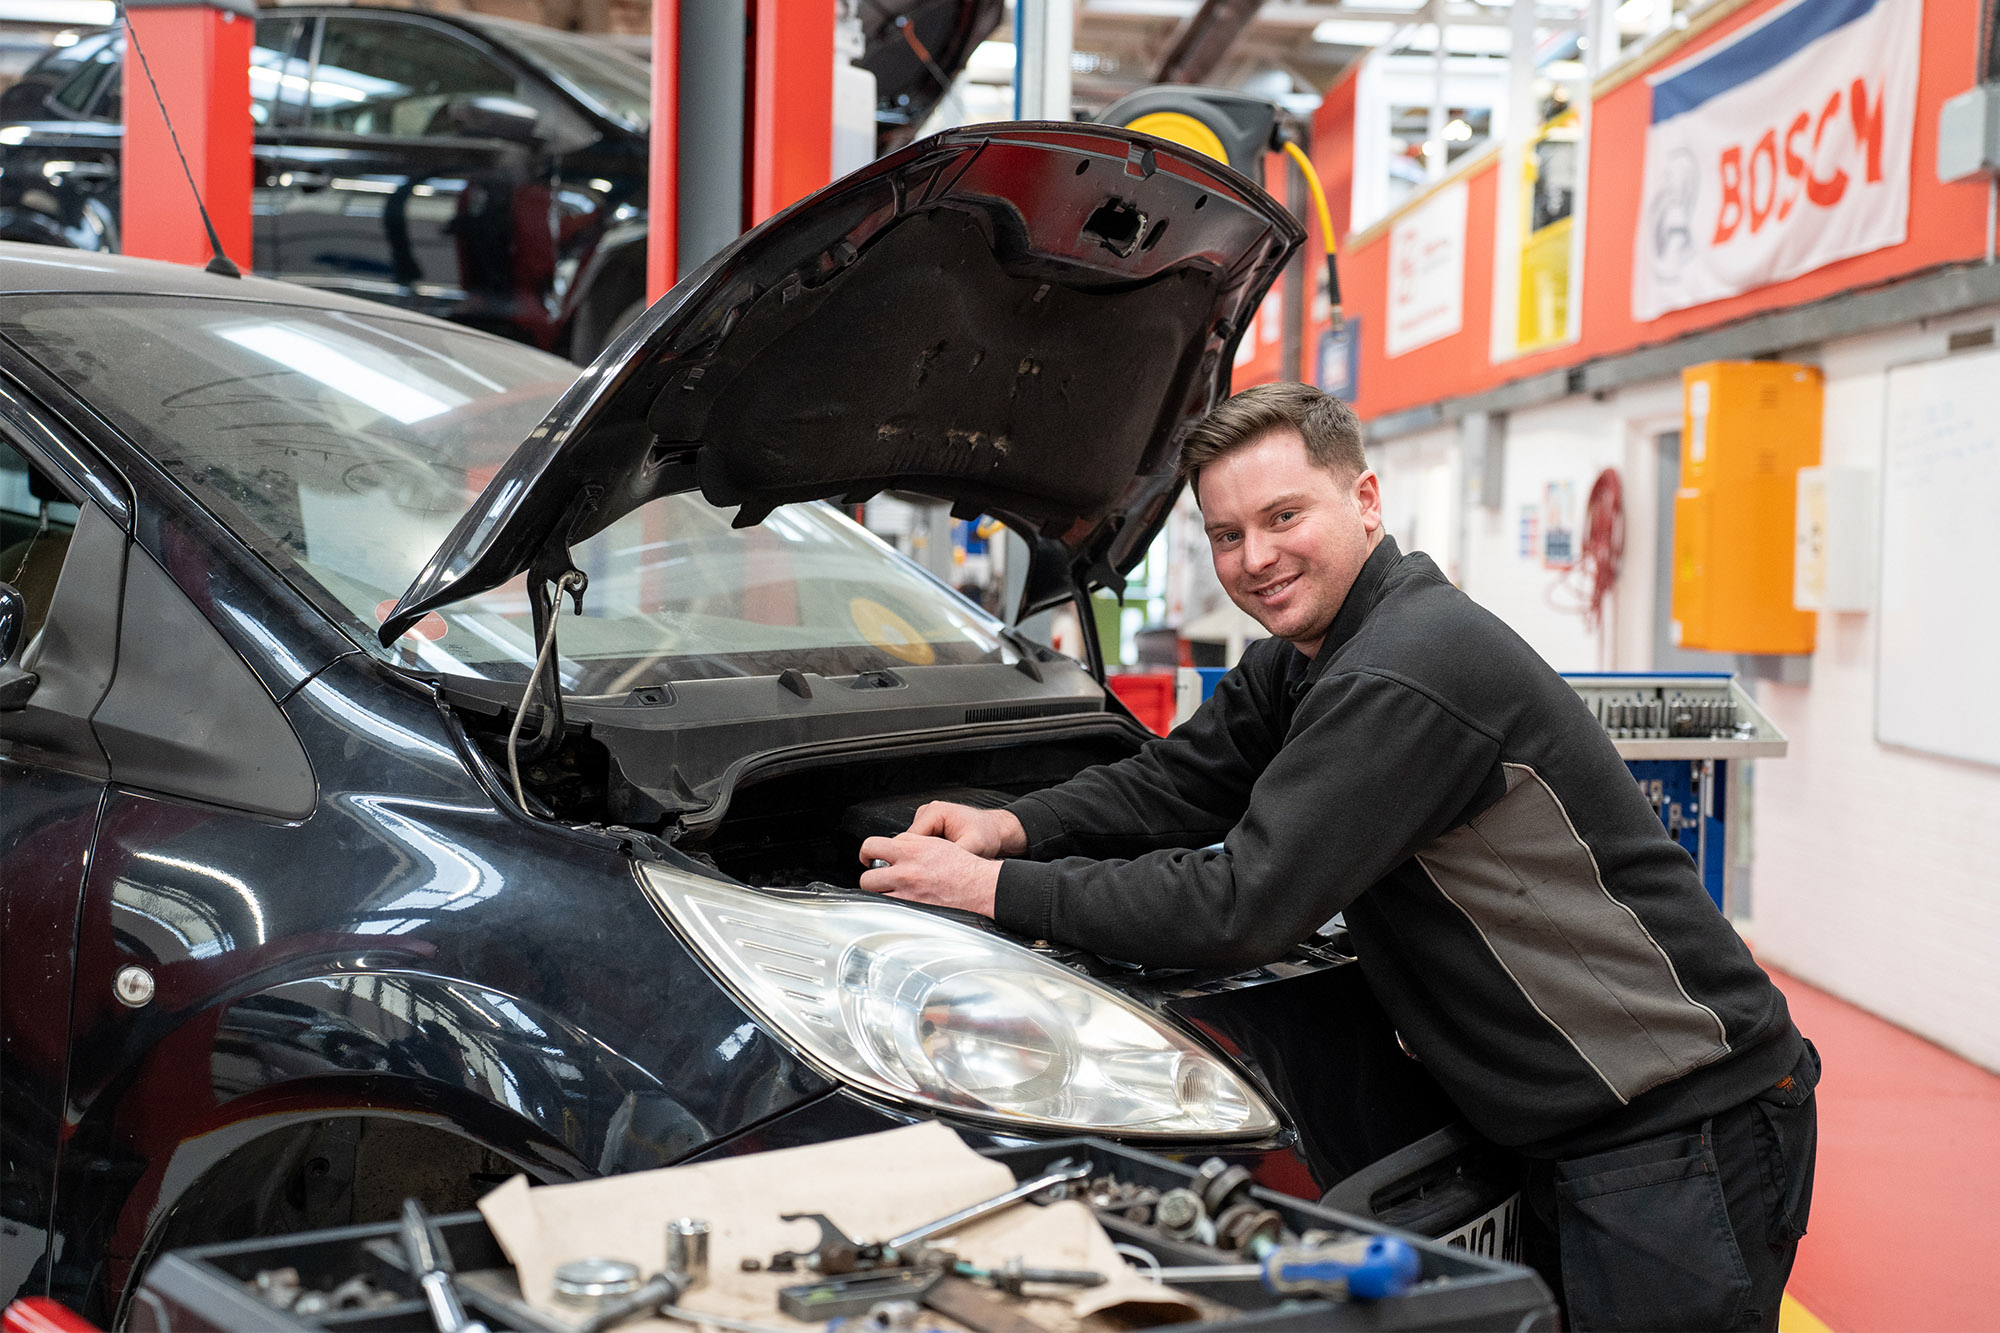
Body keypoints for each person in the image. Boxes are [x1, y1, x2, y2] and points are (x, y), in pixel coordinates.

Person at [857, 382, 1818, 1331]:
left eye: (1283, 516)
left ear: (1364, 501)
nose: (1256, 557)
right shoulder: (1311, 652)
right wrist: (1014, 826)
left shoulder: (1407, 665)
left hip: (1679, 1132)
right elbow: (1180, 781)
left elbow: (1240, 904)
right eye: (1227, 534)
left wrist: (993, 889)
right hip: (1581, 1131)